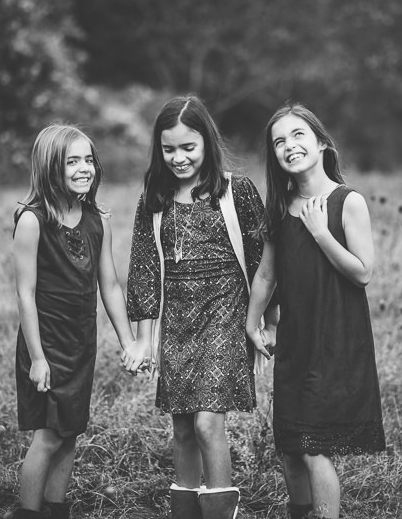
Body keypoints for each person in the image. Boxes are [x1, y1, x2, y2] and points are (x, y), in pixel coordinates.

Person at [125, 95, 275, 519]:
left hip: (226, 318)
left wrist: (271, 321)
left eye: (188, 147)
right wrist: (142, 340)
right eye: (168, 149)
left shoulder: (234, 191)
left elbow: (266, 260)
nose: (178, 158)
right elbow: (144, 269)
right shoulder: (154, 199)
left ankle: (220, 509)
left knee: (209, 422)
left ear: (207, 142)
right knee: (183, 426)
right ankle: (186, 511)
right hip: (177, 324)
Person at [245, 103, 385, 519]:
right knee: (290, 444)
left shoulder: (348, 201)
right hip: (296, 342)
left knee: (313, 446)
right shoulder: (280, 207)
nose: (290, 146)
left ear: (321, 142)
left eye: (299, 135)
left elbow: (362, 273)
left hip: (336, 340)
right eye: (279, 141)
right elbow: (267, 276)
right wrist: (253, 322)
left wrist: (321, 231)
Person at [11, 124, 137, 519]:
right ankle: (28, 513)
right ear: (51, 167)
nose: (85, 168)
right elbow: (25, 295)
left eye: (89, 160)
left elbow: (111, 286)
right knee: (48, 437)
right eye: (73, 161)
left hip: (81, 344)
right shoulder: (33, 221)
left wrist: (129, 342)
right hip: (45, 345)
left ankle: (56, 509)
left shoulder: (96, 219)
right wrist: (37, 358)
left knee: (70, 436)